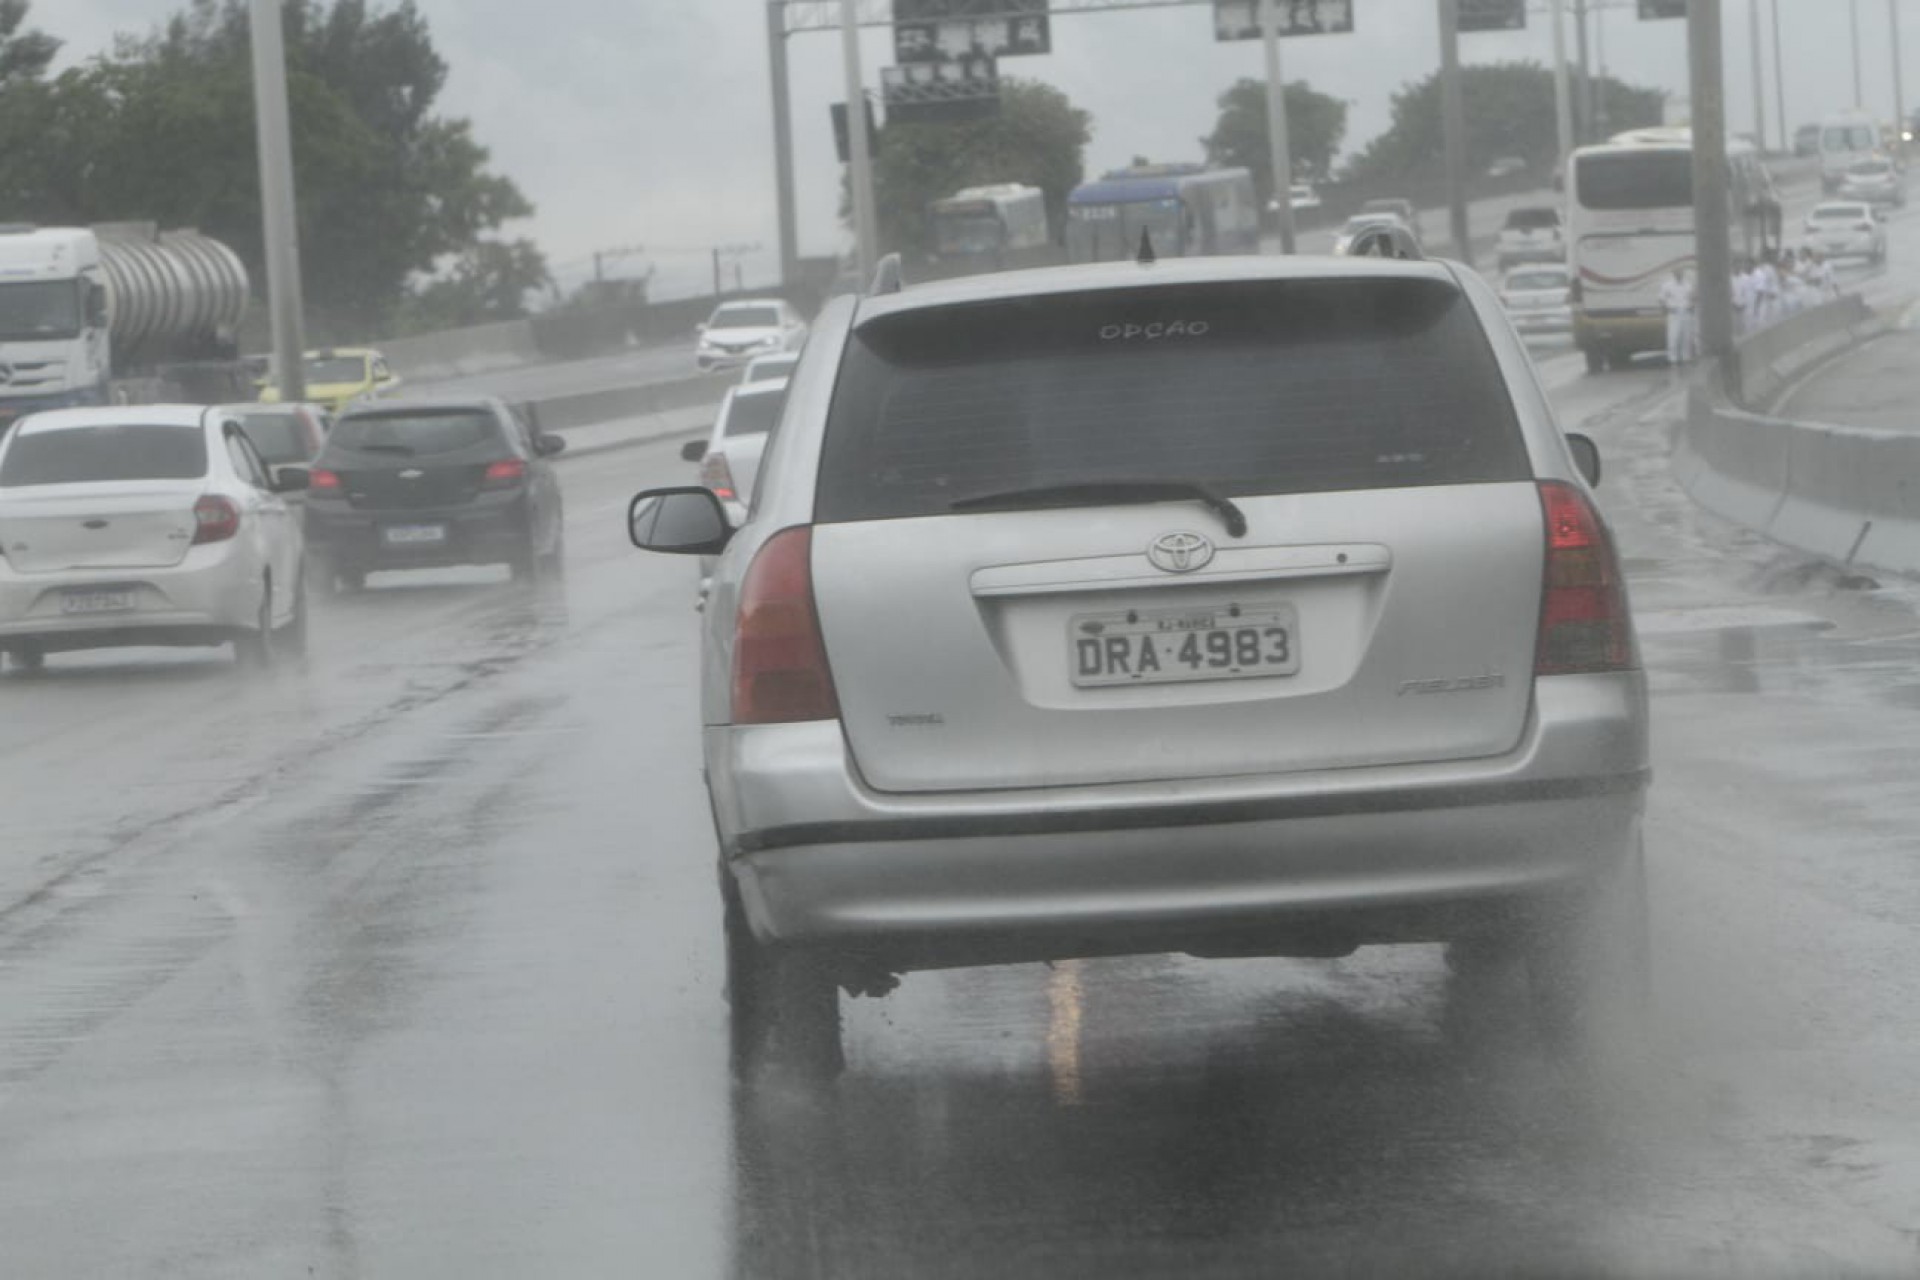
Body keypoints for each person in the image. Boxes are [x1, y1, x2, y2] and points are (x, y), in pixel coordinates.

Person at [1660, 265, 1695, 365]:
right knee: (1673, 336)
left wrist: (1692, 306)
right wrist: (1666, 309)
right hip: (1674, 313)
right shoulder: (1667, 285)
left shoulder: (1688, 285)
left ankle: (1686, 358)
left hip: (1686, 312)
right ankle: (1673, 359)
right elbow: (1661, 299)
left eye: (1680, 272)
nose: (1679, 273)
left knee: (1686, 336)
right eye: (1677, 272)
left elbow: (1692, 298)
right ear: (1673, 273)